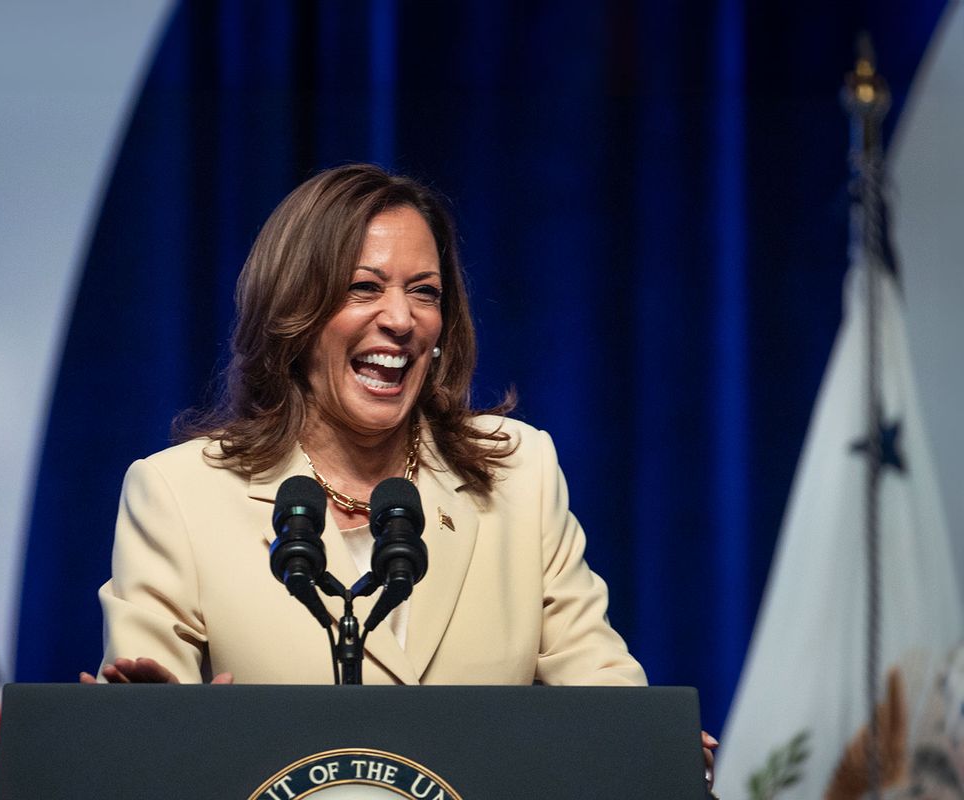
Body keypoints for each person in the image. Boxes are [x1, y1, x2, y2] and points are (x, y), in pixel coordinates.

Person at [79, 163, 716, 782]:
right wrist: (163, 737)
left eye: (425, 292)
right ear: (295, 311)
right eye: (365, 287)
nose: (402, 319)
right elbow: (152, 733)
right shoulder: (180, 494)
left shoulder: (519, 473)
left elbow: (599, 684)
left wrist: (649, 747)